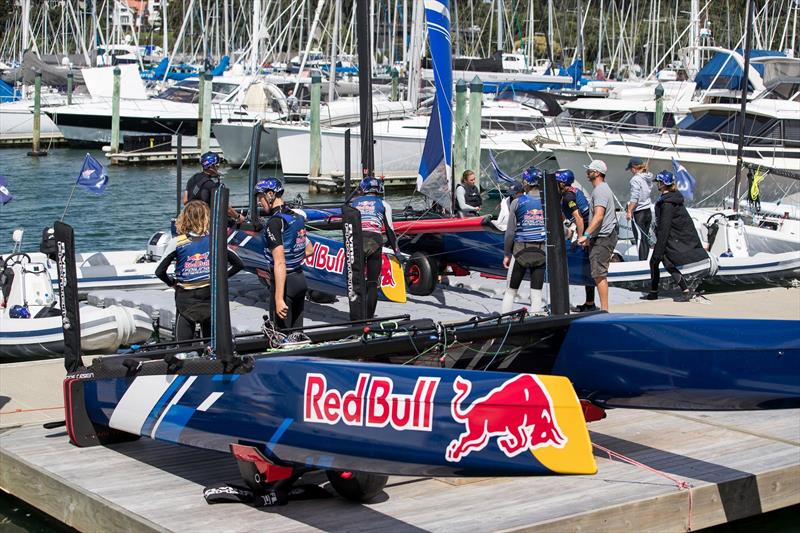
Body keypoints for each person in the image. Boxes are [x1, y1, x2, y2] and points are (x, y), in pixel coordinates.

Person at [155, 201, 243, 341]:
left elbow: (159, 271)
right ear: (207, 218)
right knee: (210, 345)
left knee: (183, 348)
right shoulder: (214, 241)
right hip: (209, 297)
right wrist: (219, 279)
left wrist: (171, 283)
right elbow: (238, 264)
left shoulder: (177, 242)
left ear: (185, 218)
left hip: (185, 301)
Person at [255, 177, 313, 329]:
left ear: (270, 194)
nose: (259, 202)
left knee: (280, 338)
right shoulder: (297, 217)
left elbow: (280, 263)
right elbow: (309, 250)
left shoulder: (274, 222)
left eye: (260, 197)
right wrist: (292, 258)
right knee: (297, 336)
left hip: (284, 285)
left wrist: (279, 298)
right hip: (300, 280)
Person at [645, 170, 708, 301]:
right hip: (671, 237)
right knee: (666, 262)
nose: (657, 184)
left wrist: (660, 246)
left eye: (659, 182)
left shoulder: (667, 203)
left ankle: (655, 292)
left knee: (656, 261)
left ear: (663, 184)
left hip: (670, 238)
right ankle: (680, 290)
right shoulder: (671, 197)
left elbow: (665, 227)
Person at [350, 176, 399, 318]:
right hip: (374, 240)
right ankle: (369, 318)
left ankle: (356, 316)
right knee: (372, 283)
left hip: (357, 240)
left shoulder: (353, 203)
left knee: (355, 282)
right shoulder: (384, 204)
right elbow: (390, 230)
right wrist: (396, 251)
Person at [501, 168, 547, 314]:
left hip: (520, 251)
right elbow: (558, 229)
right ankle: (535, 318)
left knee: (510, 291)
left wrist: (507, 253)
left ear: (526, 183)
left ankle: (505, 319)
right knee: (536, 292)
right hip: (541, 252)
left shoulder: (517, 202)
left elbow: (510, 233)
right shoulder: (548, 202)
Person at [577, 160, 618, 311]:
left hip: (603, 237)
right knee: (597, 273)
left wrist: (586, 234)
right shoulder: (601, 189)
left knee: (599, 274)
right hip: (601, 236)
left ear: (597, 173)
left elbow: (599, 215)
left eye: (590, 171)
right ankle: (602, 308)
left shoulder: (600, 190)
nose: (587, 173)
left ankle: (604, 309)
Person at [554, 168, 596, 312]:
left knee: (587, 267)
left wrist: (581, 237)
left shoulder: (568, 196)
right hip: (585, 227)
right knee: (587, 267)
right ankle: (589, 303)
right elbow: (565, 215)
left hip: (586, 229)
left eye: (557, 182)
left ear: (562, 183)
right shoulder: (569, 192)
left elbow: (578, 218)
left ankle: (591, 304)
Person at [183, 152, 246, 224]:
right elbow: (225, 208)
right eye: (217, 165)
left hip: (191, 219)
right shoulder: (211, 185)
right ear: (212, 166)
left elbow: (185, 201)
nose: (218, 167)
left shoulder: (193, 178)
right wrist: (238, 217)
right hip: (205, 223)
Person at [625, 157, 654, 260]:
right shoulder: (648, 177)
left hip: (639, 213)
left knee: (640, 239)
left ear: (633, 168)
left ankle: (642, 263)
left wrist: (629, 211)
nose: (630, 171)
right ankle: (645, 260)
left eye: (630, 169)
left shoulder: (635, 179)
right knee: (644, 238)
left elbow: (635, 197)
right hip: (647, 211)